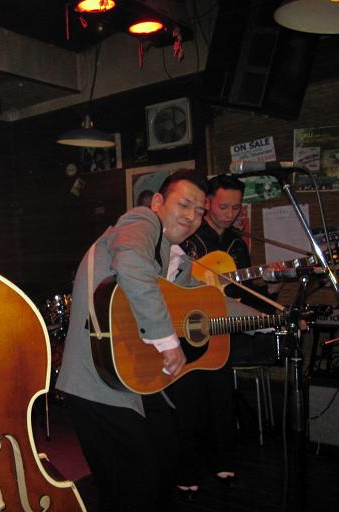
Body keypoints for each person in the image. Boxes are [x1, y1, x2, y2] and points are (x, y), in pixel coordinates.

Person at [56, 170, 209, 511]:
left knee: (155, 474)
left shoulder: (176, 258)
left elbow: (206, 301)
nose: (192, 216)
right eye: (184, 204)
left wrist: (267, 317)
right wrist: (168, 342)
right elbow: (131, 265)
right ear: (157, 202)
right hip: (97, 382)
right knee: (136, 485)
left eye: (200, 211)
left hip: (134, 380)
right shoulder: (141, 221)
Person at [174, 174, 275, 496]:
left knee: (220, 395)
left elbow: (245, 293)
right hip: (186, 327)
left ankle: (222, 461)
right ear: (207, 204)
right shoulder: (188, 237)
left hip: (220, 327)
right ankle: (186, 467)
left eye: (236, 207)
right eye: (223, 207)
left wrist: (272, 304)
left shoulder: (237, 244)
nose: (230, 214)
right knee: (189, 398)